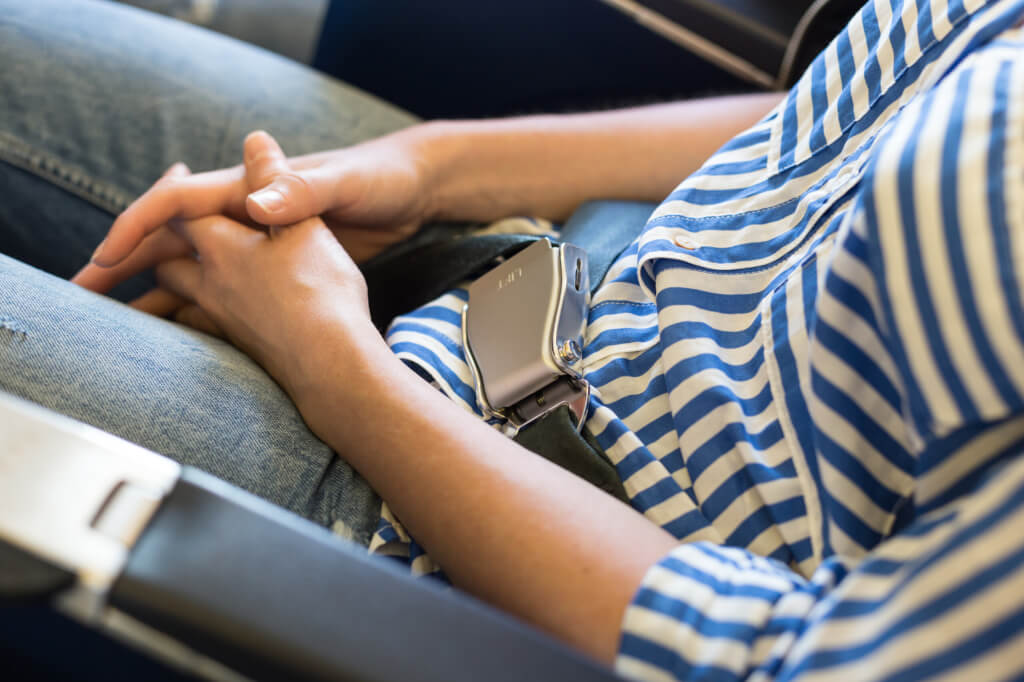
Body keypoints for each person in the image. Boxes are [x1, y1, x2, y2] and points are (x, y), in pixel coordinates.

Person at [2, 0, 1023, 680]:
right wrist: (430, 169)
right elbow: (841, 116)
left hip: (440, 537)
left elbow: (777, 663)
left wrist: (331, 363)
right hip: (550, 253)